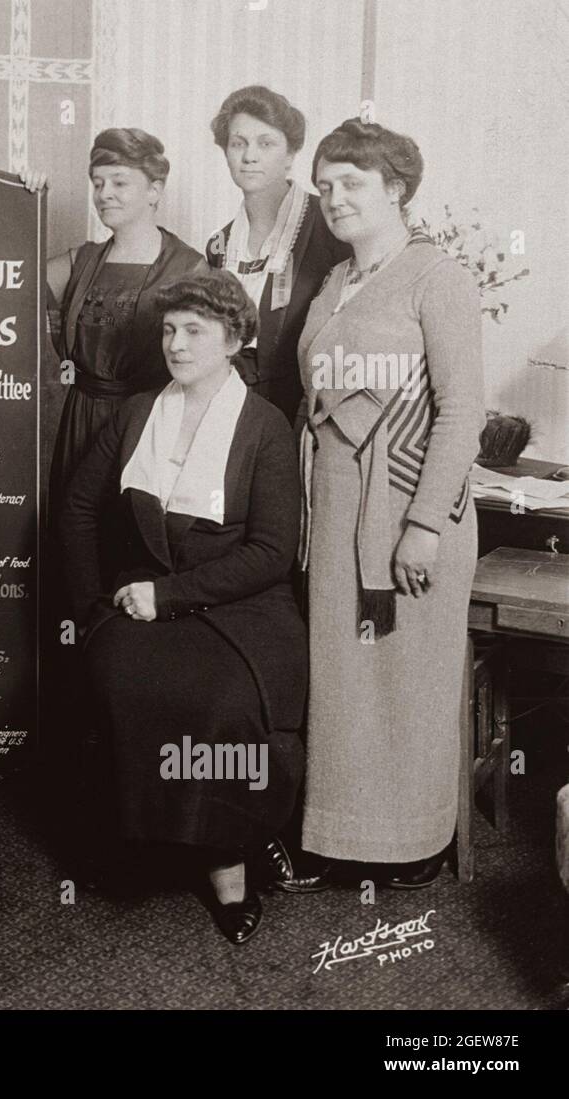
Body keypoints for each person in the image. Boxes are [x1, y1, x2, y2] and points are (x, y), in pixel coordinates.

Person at [59, 270, 307, 944]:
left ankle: (231, 861)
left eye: (194, 330)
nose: (176, 342)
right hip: (141, 593)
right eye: (169, 329)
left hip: (242, 605)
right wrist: (88, 605)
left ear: (234, 340)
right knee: (121, 677)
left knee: (221, 700)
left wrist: (168, 595)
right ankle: (149, 842)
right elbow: (77, 506)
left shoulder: (265, 426)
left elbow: (271, 552)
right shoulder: (138, 410)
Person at [294, 120, 485, 890]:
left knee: (406, 678)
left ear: (397, 188)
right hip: (337, 511)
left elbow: (462, 409)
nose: (333, 198)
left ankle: (414, 844)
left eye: (351, 183)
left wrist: (423, 526)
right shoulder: (334, 283)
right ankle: (343, 839)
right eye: (325, 185)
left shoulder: (438, 277)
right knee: (345, 680)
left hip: (411, 512)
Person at [46, 128, 205, 516]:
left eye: (119, 182)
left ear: (154, 190)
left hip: (151, 422)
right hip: (81, 422)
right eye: (98, 183)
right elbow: (4, 284)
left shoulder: (190, 266)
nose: (104, 194)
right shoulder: (79, 260)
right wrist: (25, 198)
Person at [205, 85, 351, 424]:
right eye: (238, 143)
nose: (249, 156)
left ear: (290, 154)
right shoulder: (219, 244)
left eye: (266, 143)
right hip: (231, 408)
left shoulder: (329, 226)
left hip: (305, 413)